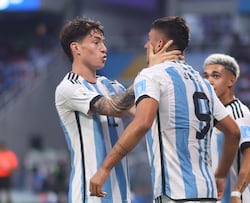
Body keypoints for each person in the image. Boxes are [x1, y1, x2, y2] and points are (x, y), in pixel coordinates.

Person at [89, 16, 240, 203]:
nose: (145, 45)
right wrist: (221, 175)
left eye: (149, 40)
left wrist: (105, 168)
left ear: (159, 44)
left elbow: (142, 123)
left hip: (175, 194)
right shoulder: (204, 84)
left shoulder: (152, 75)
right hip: (207, 192)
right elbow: (233, 132)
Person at [55, 17, 183, 203]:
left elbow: (146, 115)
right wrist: (147, 72)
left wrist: (168, 70)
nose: (104, 48)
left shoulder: (111, 86)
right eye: (96, 42)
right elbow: (113, 107)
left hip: (121, 195)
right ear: (76, 48)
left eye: (103, 42)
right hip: (90, 195)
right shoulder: (68, 87)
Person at [203, 53, 250, 203]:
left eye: (215, 76)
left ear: (231, 80)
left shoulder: (238, 113)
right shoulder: (208, 114)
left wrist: (237, 192)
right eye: (206, 76)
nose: (209, 81)